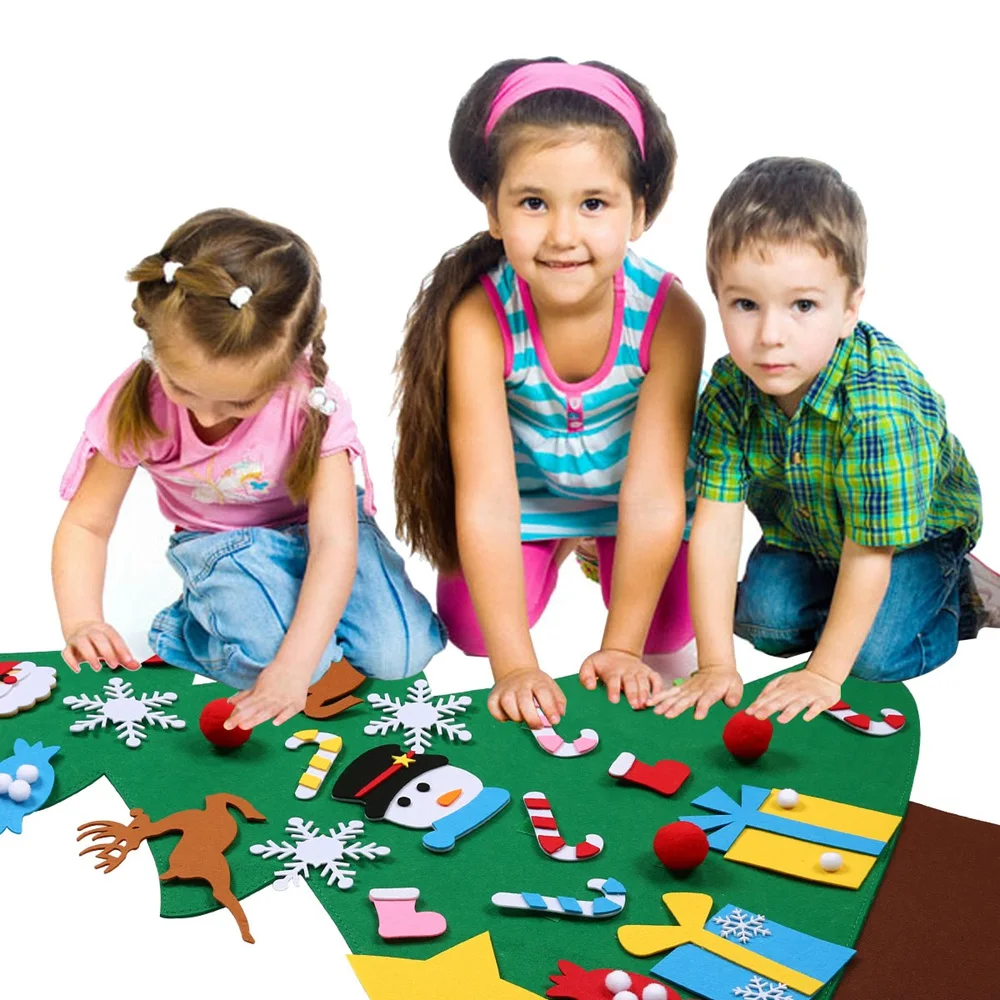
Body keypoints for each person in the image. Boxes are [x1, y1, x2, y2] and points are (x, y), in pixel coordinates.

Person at [394, 59, 705, 728]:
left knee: (667, 628)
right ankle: (565, 541)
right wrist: (515, 667)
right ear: (494, 210)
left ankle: (597, 543)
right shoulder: (479, 319)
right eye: (533, 203)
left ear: (639, 212)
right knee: (473, 627)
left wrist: (621, 648)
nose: (563, 235)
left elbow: (655, 495)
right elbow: (487, 497)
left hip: (632, 503)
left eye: (594, 204)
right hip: (530, 500)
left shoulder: (671, 317)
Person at [53, 209, 446, 729]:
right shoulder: (139, 402)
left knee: (402, 654)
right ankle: (192, 627)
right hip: (221, 545)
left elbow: (333, 542)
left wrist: (295, 666)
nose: (205, 416)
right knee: (287, 663)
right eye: (183, 388)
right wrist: (82, 619)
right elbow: (86, 524)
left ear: (290, 363)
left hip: (320, 534)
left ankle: (283, 623)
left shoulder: (311, 402)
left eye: (238, 404)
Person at [654, 157, 998, 725]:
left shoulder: (879, 408)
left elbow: (870, 552)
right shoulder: (729, 391)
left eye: (803, 306)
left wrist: (823, 673)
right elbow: (716, 525)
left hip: (905, 542)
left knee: (871, 659)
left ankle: (960, 595)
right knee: (764, 622)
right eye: (746, 304)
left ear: (849, 310)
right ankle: (849, 608)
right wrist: (715, 663)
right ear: (719, 298)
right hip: (808, 534)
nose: (770, 335)